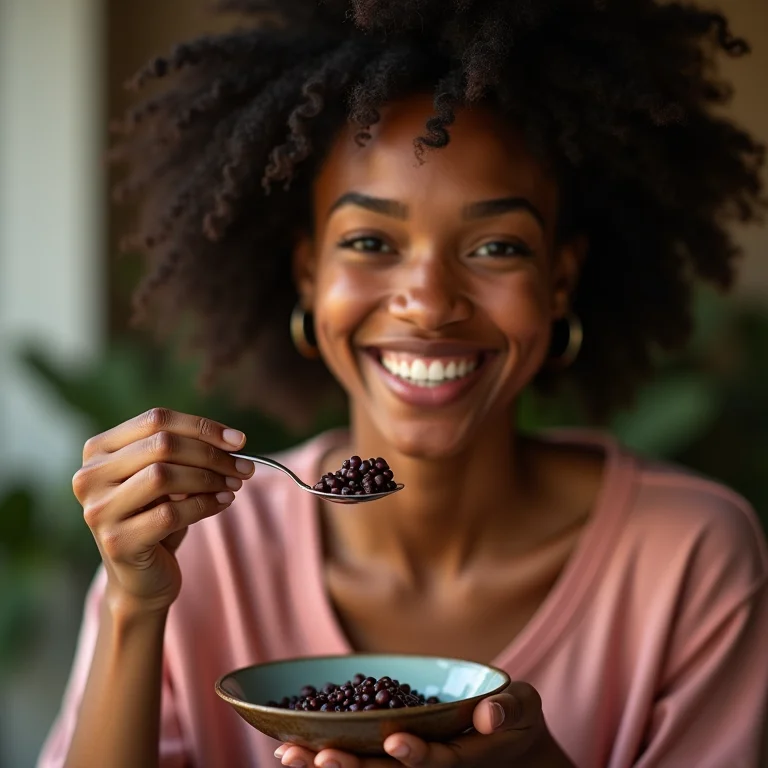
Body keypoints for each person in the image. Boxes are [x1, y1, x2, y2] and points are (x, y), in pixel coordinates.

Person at [39, 1, 768, 766]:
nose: (428, 301)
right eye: (370, 241)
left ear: (560, 281)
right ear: (309, 275)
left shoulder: (690, 559)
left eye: (494, 245)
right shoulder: (205, 550)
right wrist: (132, 604)